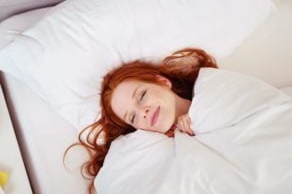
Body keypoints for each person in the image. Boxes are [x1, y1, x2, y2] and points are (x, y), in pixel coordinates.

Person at [65, 48, 218, 194]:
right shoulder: (151, 150)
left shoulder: (213, 90)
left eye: (142, 96)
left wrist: (200, 117)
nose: (143, 112)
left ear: (163, 82)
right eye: (132, 117)